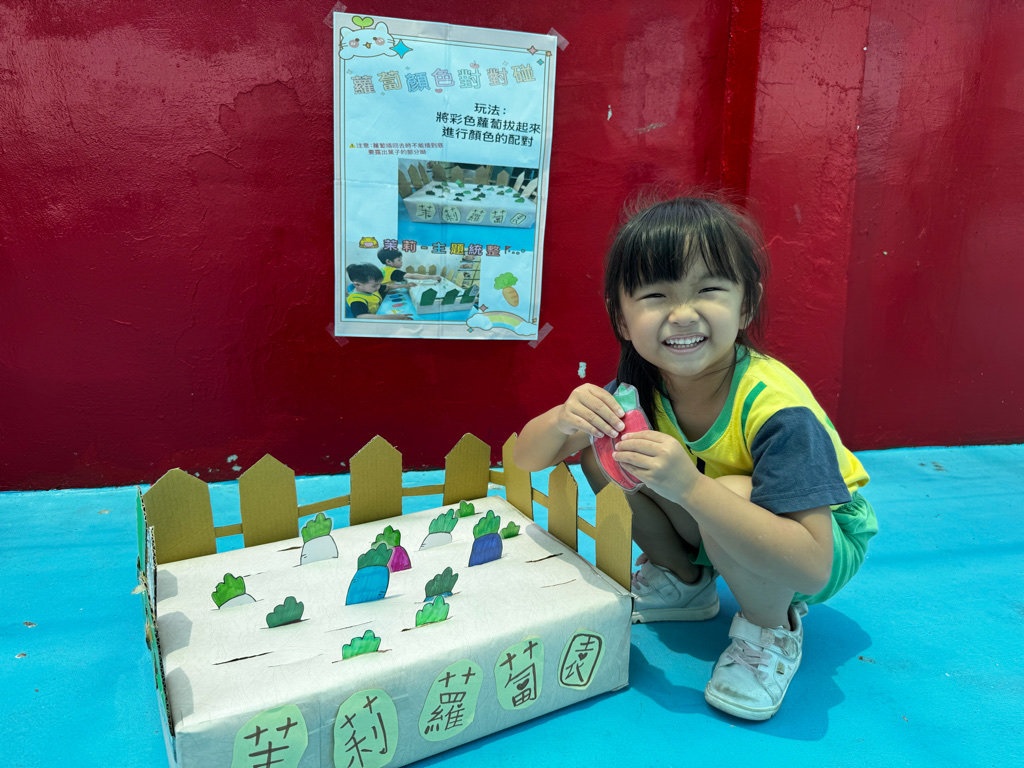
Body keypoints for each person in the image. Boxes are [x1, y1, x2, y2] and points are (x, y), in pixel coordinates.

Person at [514, 194, 877, 721]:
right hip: (721, 522)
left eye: (708, 290)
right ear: (621, 317)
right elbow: (525, 461)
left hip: (818, 539)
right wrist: (564, 420)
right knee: (603, 454)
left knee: (729, 491)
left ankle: (770, 630)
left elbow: (814, 566)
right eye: (655, 295)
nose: (682, 314)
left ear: (745, 304)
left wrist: (689, 488)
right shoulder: (640, 387)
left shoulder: (778, 409)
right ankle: (684, 581)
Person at [345, 263, 410, 320]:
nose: (378, 287)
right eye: (374, 285)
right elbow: (361, 316)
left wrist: (405, 286)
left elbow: (388, 286)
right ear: (357, 284)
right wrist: (393, 317)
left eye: (379, 284)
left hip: (380, 311)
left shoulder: (370, 288)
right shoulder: (356, 300)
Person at [376, 248, 441, 288]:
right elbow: (412, 276)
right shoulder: (393, 272)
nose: (401, 262)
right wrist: (432, 277)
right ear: (388, 261)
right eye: (399, 260)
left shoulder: (383, 269)